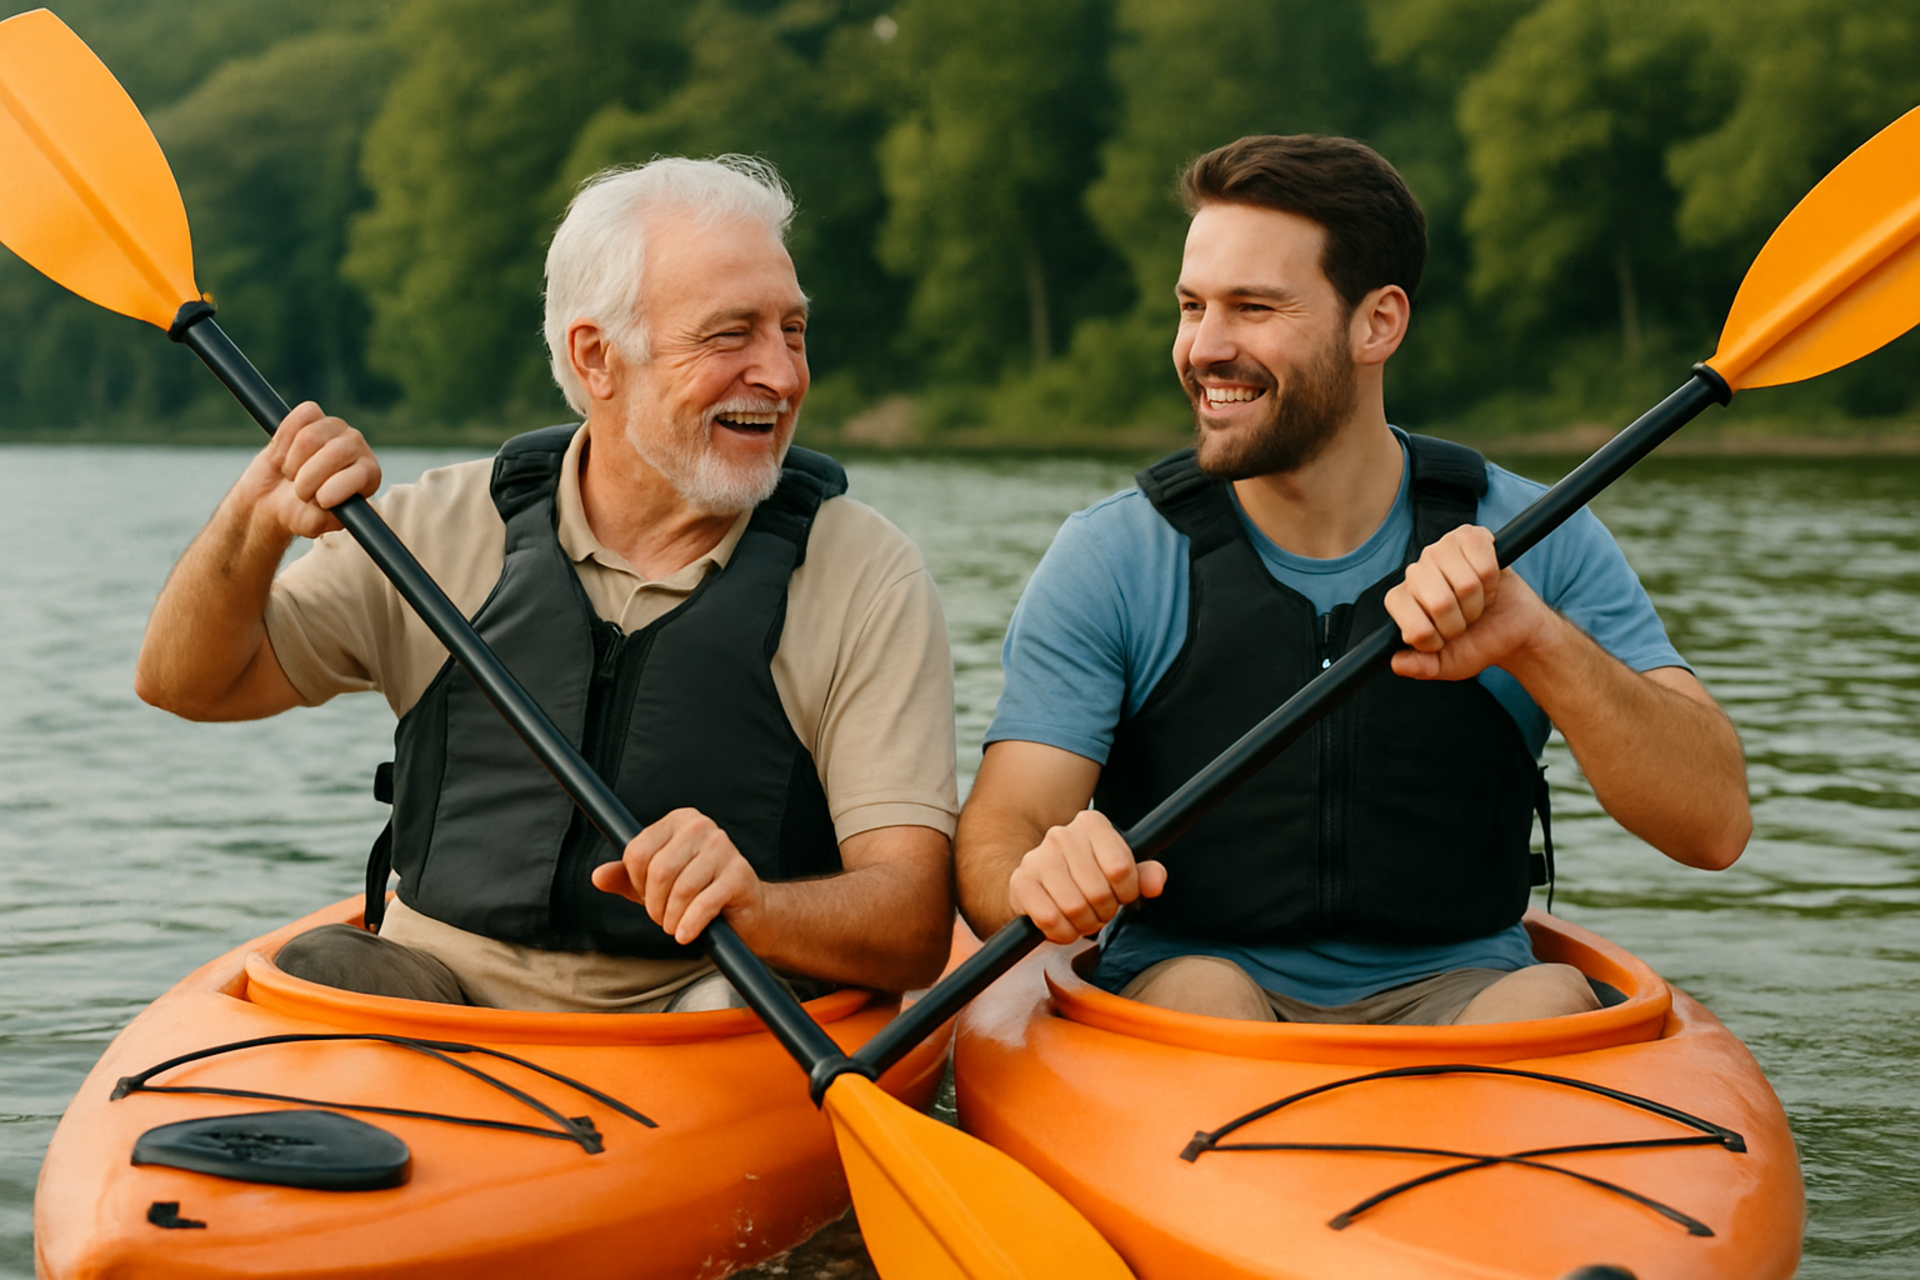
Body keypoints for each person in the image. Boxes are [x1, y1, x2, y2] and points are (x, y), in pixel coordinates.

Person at [954, 134, 1751, 1026]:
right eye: (1191, 307)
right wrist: (1036, 873)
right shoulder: (1116, 555)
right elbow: (999, 835)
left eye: (1254, 307)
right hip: (1182, 997)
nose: (1205, 348)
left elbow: (1713, 825)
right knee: (1211, 993)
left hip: (1468, 995)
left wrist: (1537, 640)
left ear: (1378, 324)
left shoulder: (1533, 538)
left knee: (1547, 998)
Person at [136, 156, 958, 1013]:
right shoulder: (430, 533)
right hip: (436, 996)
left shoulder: (863, 575)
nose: (783, 376)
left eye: (792, 331)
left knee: (720, 1001)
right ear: (597, 356)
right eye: (731, 334)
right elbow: (186, 683)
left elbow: (911, 926)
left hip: (709, 1010)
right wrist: (254, 520)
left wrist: (756, 908)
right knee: (322, 966)